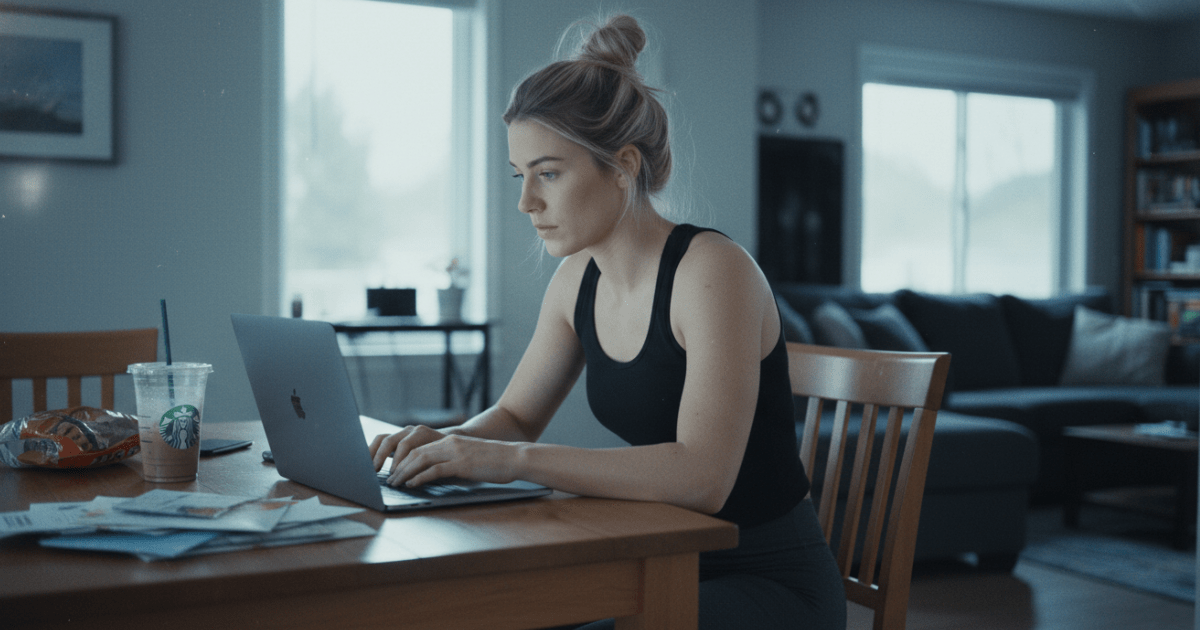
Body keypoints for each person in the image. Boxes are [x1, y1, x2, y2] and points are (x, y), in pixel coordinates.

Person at [369, 14, 846, 630]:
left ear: (621, 166)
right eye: (521, 176)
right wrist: (445, 446)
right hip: (659, 562)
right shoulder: (577, 280)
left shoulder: (712, 271)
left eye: (548, 173)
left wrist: (509, 462)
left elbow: (703, 476)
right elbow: (515, 418)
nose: (526, 202)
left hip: (769, 585)